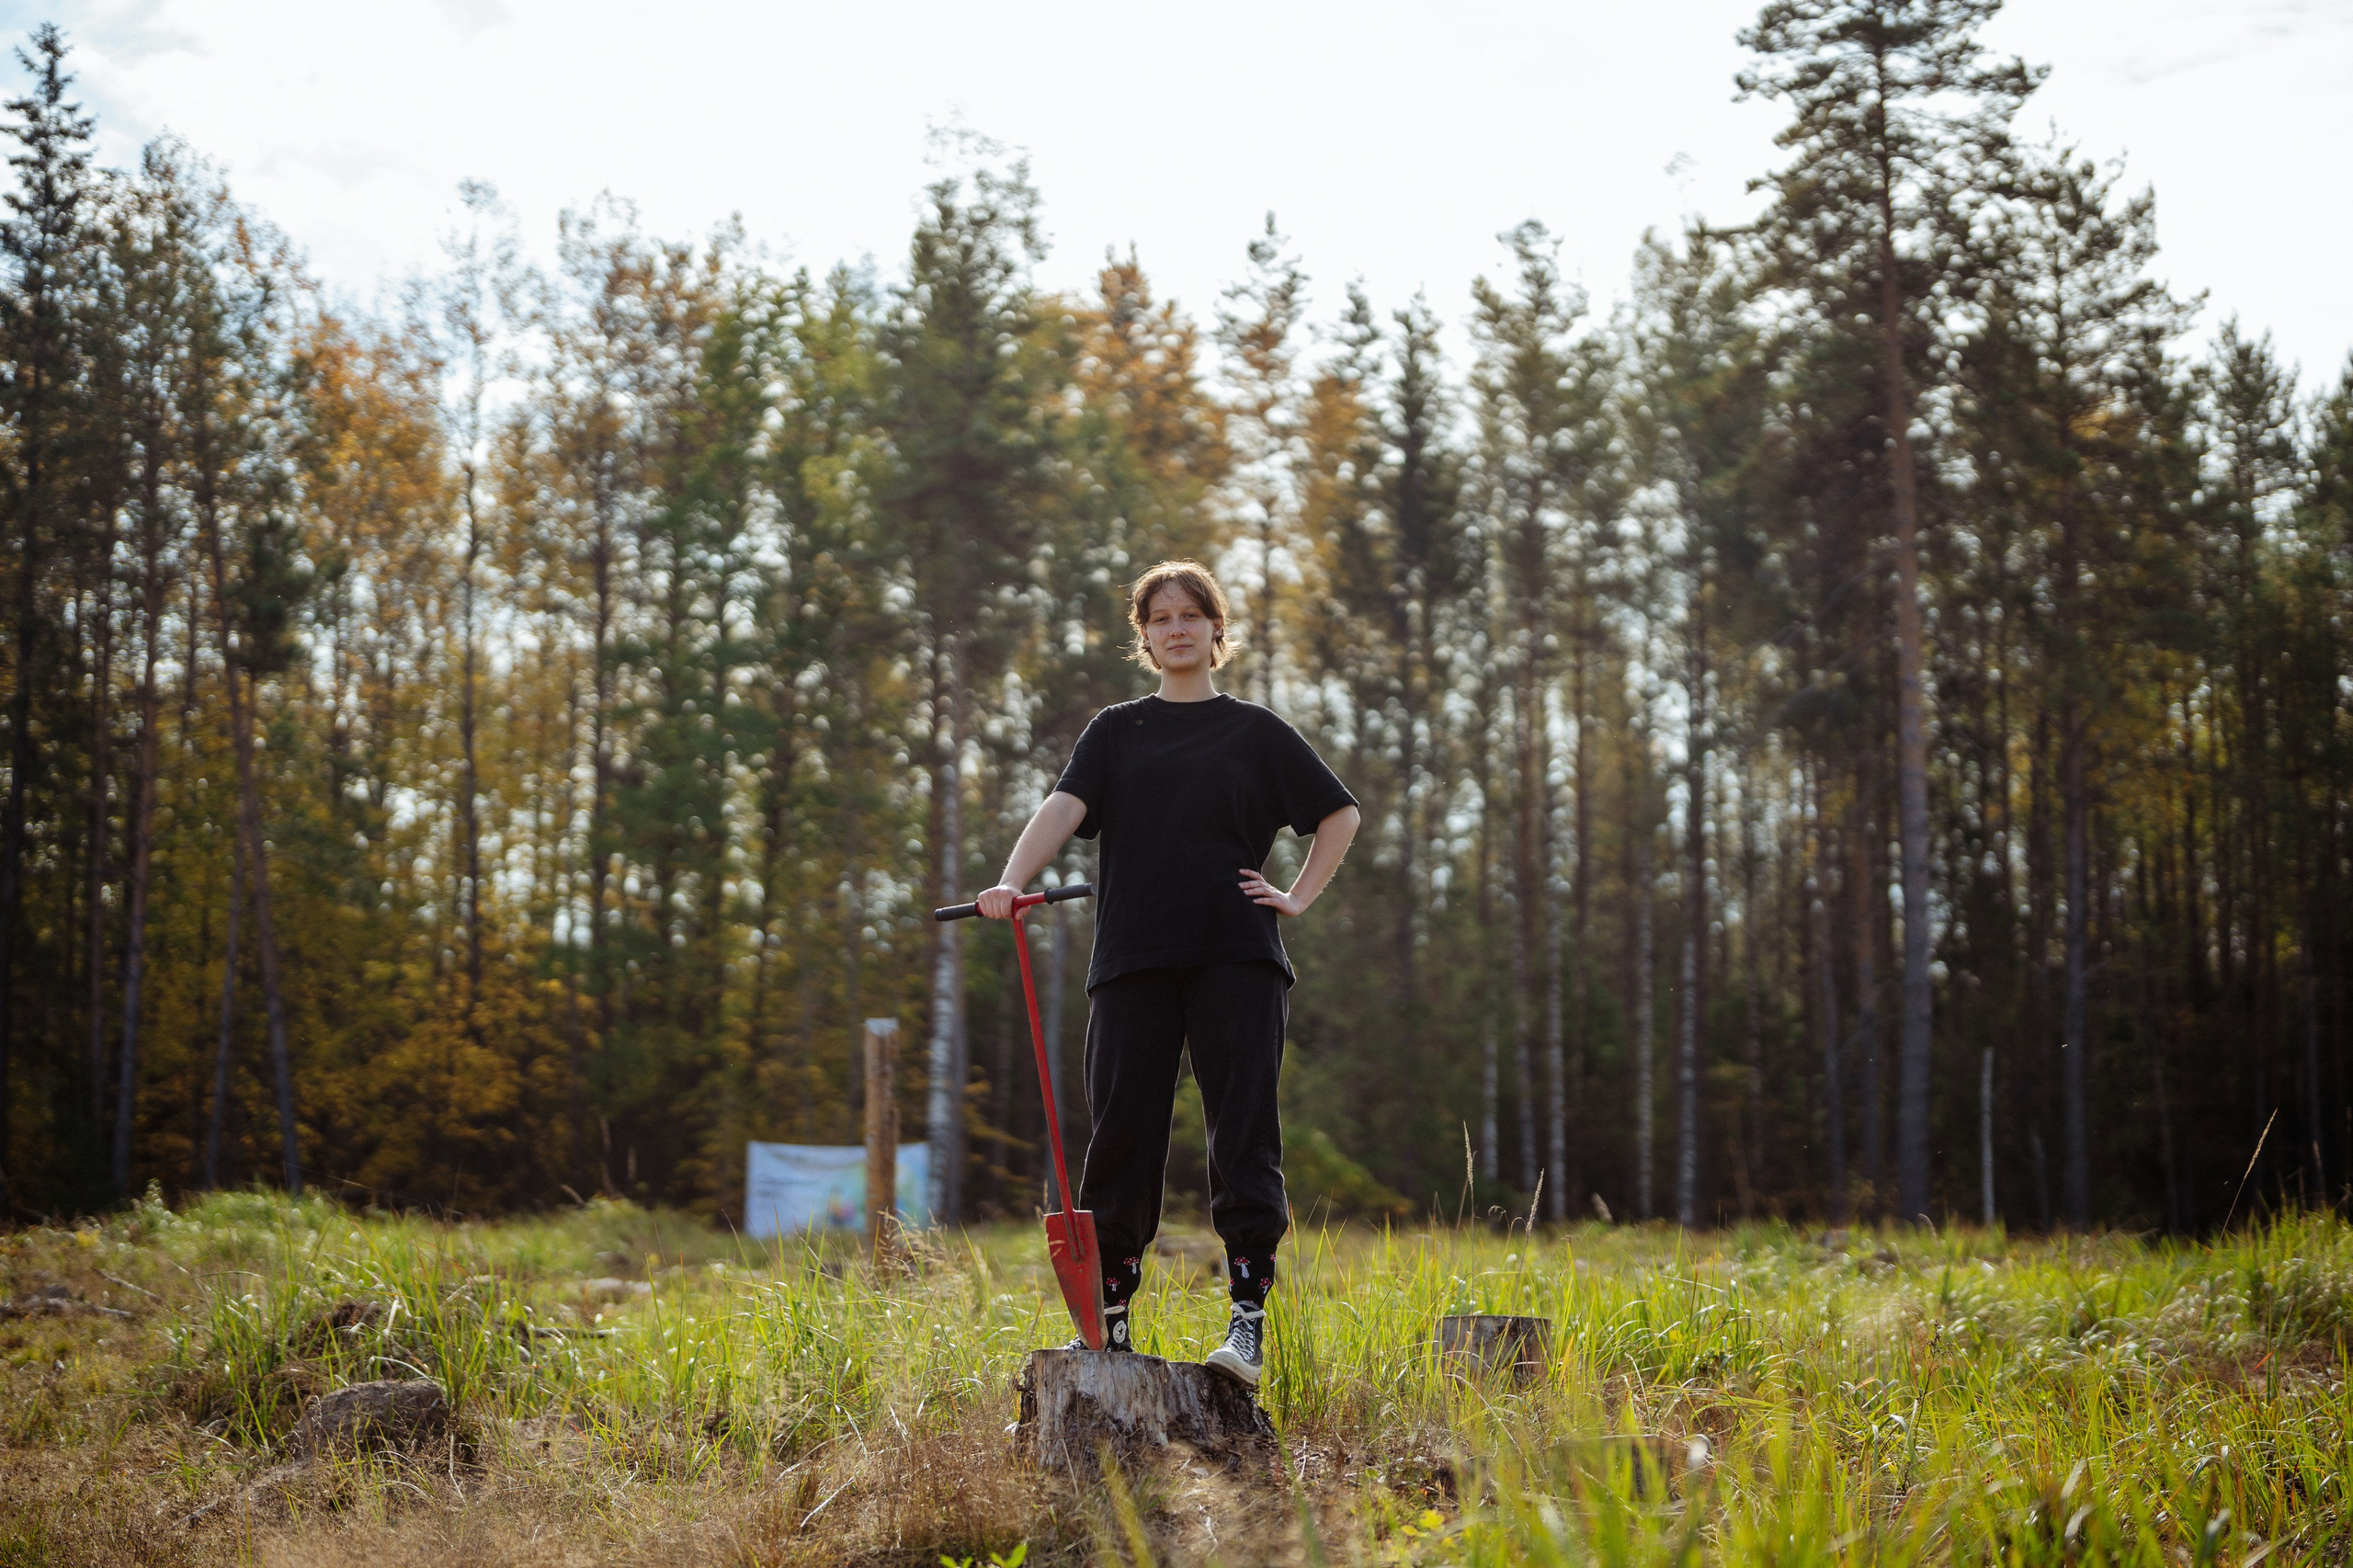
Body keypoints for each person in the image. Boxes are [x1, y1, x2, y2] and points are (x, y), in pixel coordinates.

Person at [975, 560, 1360, 1387]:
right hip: (1132, 961)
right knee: (1121, 1138)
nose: (1177, 628)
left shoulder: (1255, 732)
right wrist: (1011, 881)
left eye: (1192, 615)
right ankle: (1107, 1327)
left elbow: (1339, 812)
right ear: (1144, 636)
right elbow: (1064, 807)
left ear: (1218, 632)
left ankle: (1246, 1325)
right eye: (1161, 618)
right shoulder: (1117, 731)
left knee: (1242, 1134)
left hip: (1236, 956)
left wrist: (1294, 897)